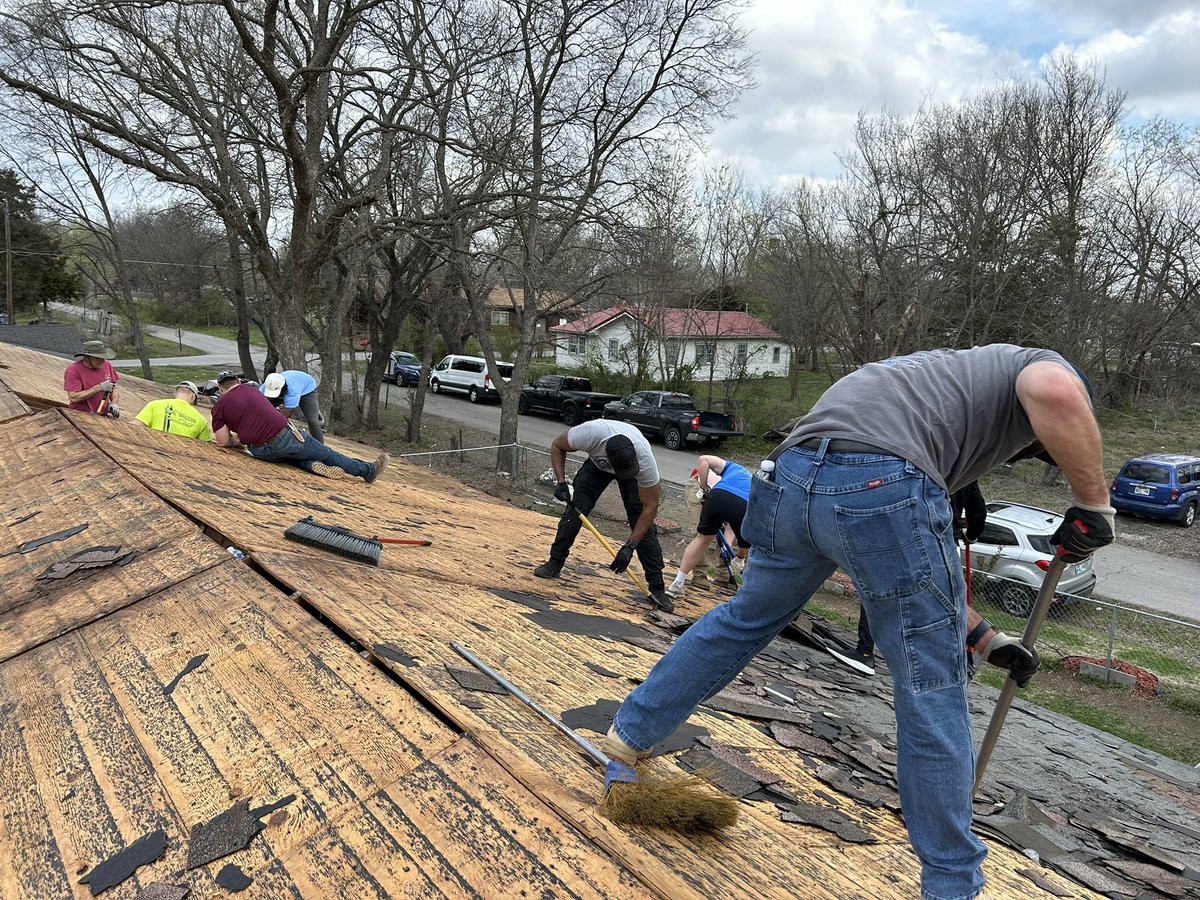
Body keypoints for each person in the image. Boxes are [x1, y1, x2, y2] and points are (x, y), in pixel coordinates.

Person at [602, 345, 1114, 900]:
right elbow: (1052, 391)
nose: (1027, 452)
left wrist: (984, 639)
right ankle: (951, 885)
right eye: (1036, 446)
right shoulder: (1041, 369)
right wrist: (1094, 505)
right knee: (930, 682)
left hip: (790, 476)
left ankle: (628, 739)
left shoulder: (937, 374)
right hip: (879, 480)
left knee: (743, 620)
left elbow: (898, 576)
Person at [828, 482, 988, 677]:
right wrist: (971, 535)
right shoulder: (965, 474)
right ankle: (938, 664)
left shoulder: (925, 467)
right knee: (938, 606)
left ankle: (866, 651)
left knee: (880, 591)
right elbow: (978, 513)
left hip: (909, 536)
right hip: (943, 543)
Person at [533, 419, 673, 612]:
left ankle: (657, 587)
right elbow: (557, 445)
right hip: (597, 466)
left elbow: (650, 507)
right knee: (574, 512)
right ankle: (554, 563)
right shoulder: (591, 434)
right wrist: (561, 483)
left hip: (631, 468)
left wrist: (629, 547)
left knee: (642, 524)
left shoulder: (644, 460)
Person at [211, 371, 387, 482]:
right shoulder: (252, 390)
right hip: (283, 438)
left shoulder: (218, 408)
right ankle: (368, 471)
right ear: (238, 381)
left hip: (259, 451)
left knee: (287, 457)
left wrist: (236, 442)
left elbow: (222, 441)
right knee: (328, 454)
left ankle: (311, 465)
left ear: (220, 388)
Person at [665, 454, 751, 601]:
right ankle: (700, 575)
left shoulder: (733, 469)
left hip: (718, 496)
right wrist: (704, 488)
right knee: (744, 544)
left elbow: (703, 459)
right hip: (708, 490)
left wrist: (730, 549)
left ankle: (678, 584)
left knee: (703, 538)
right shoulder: (755, 483)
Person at [134, 381, 213, 441]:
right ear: (194, 396)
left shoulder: (154, 405)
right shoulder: (201, 420)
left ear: (175, 392)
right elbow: (205, 445)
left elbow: (135, 426)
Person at [261, 370, 324, 443]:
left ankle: (320, 445)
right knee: (265, 410)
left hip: (307, 389)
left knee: (312, 421)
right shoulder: (265, 387)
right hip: (288, 386)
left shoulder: (292, 391)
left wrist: (270, 431)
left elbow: (284, 416)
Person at [64, 339, 121, 416]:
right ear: (86, 357)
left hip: (102, 416)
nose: (102, 361)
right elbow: (74, 398)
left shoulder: (107, 365)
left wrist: (114, 403)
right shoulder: (73, 370)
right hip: (79, 415)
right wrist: (99, 388)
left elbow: (114, 387)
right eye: (98, 358)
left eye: (103, 357)